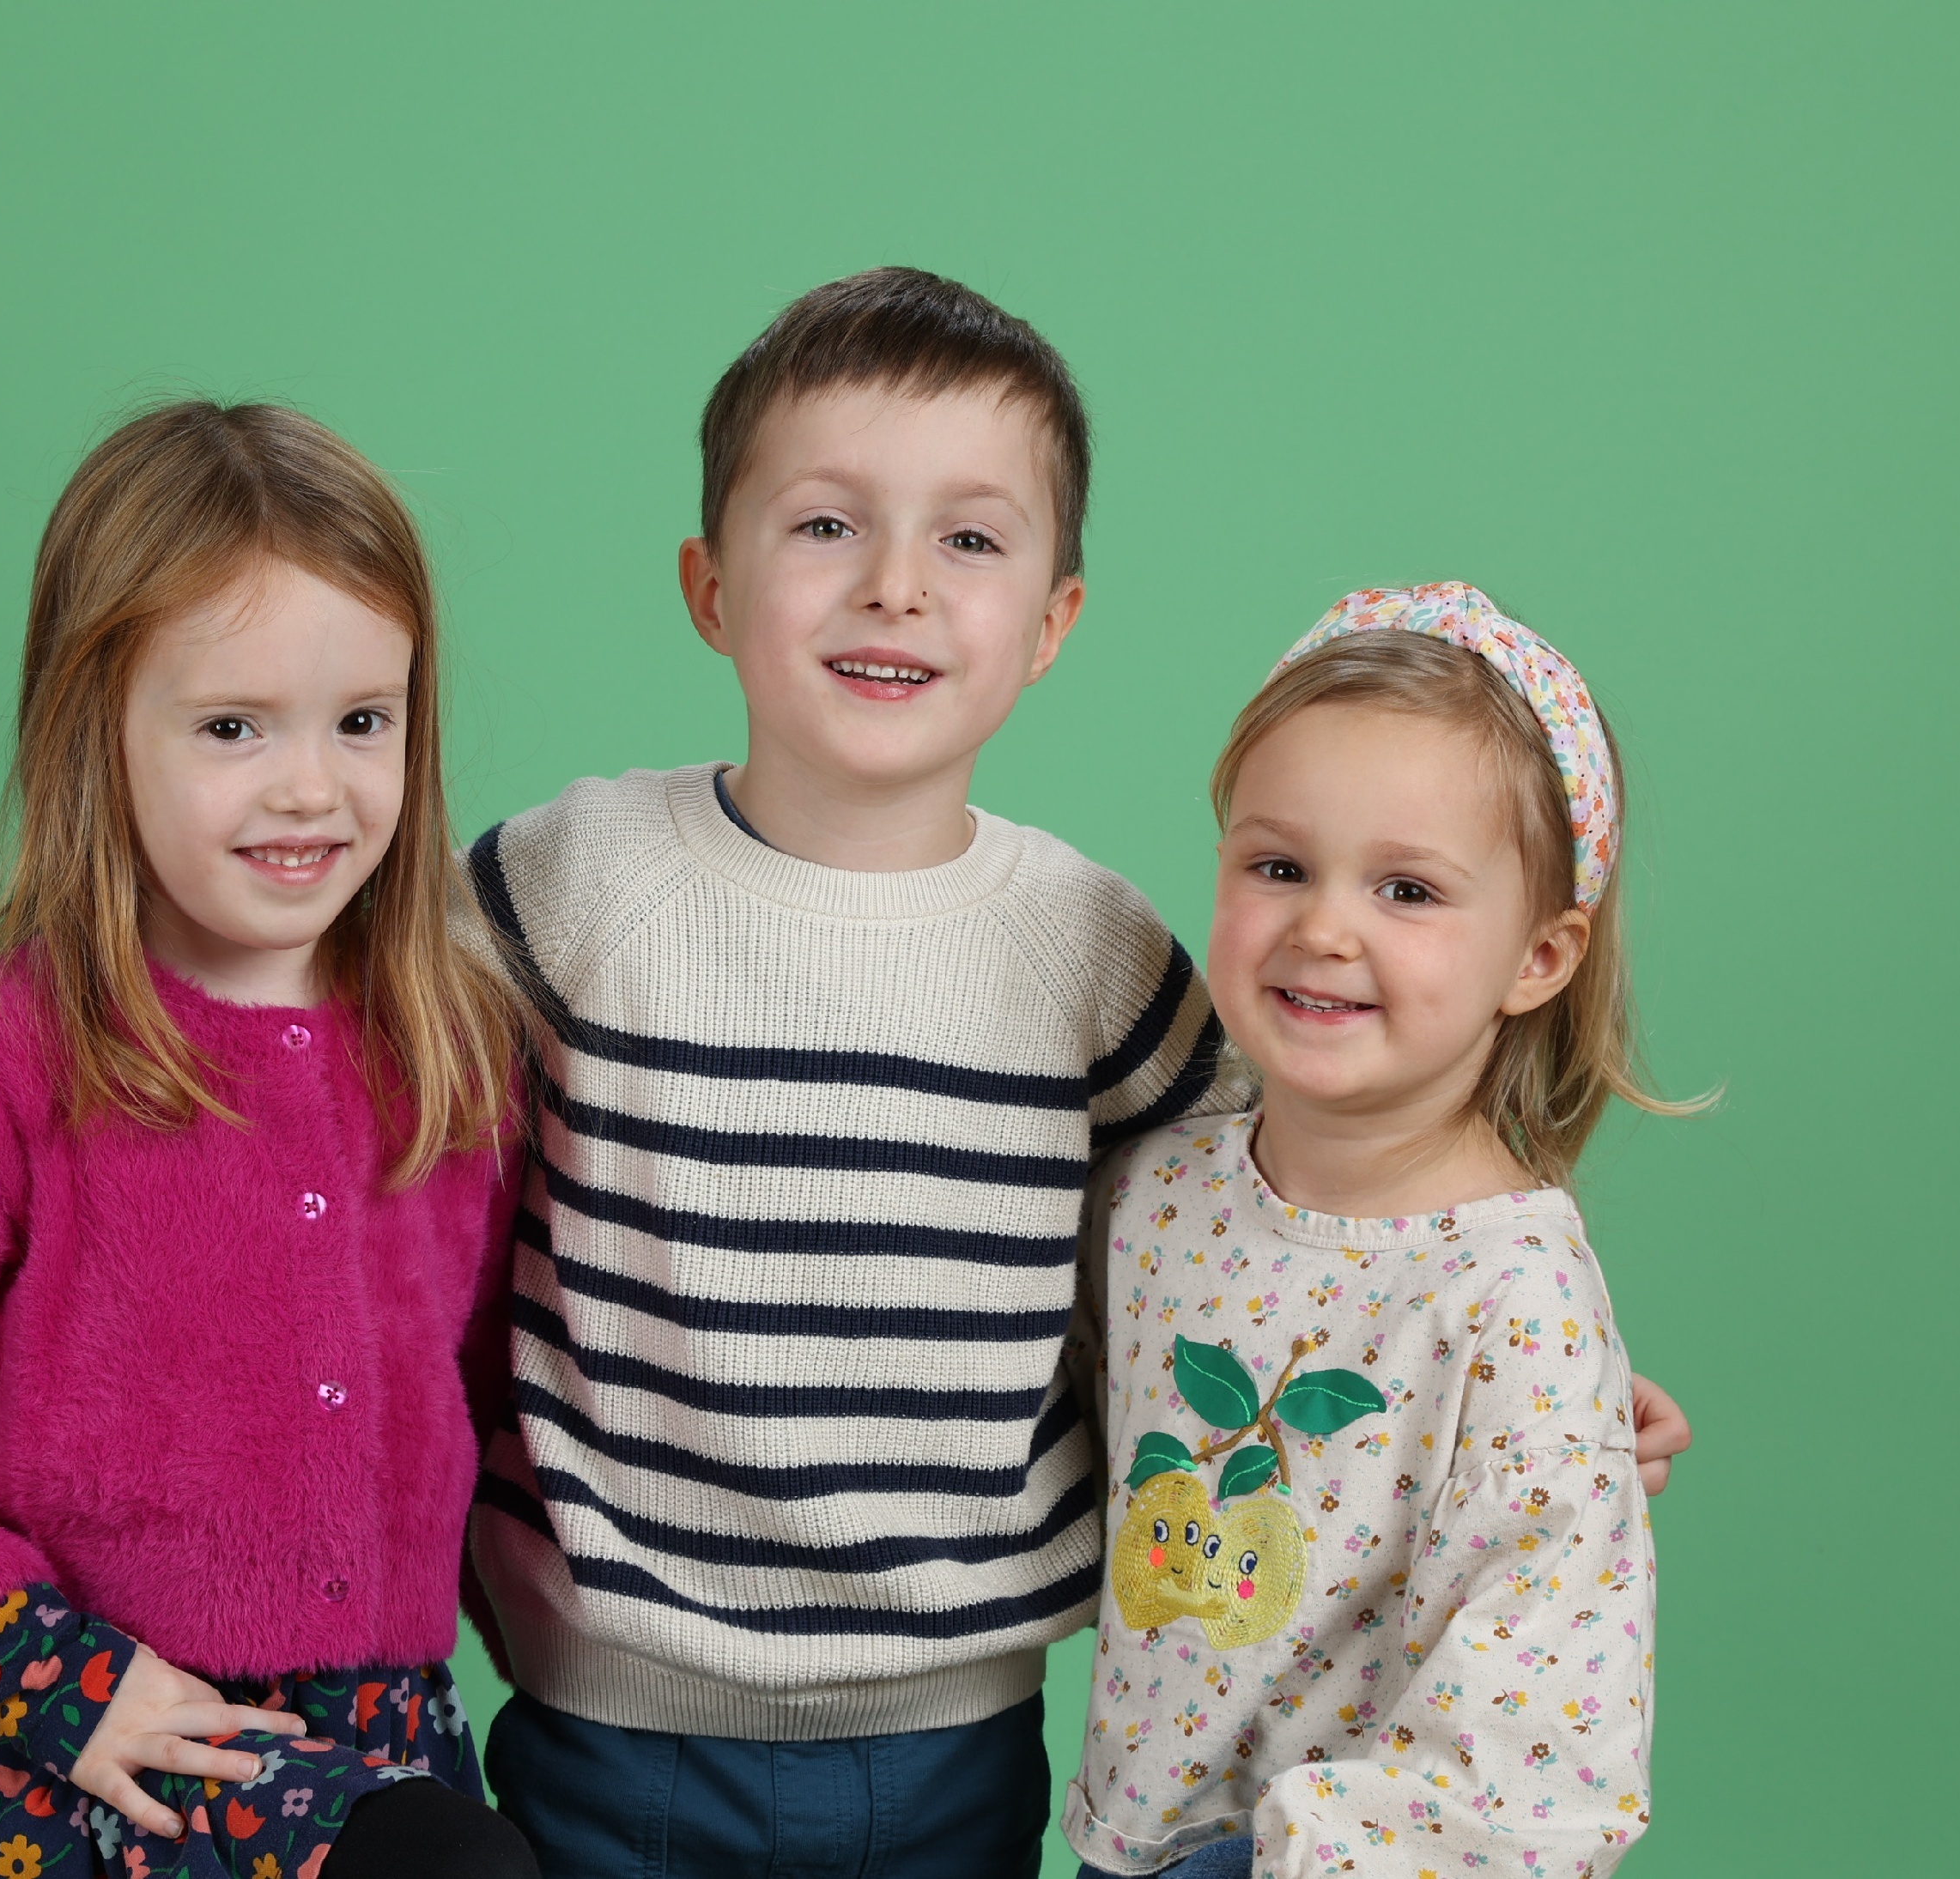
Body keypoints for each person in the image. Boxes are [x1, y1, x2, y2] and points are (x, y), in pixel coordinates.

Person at [461, 271, 1690, 1877]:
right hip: (608, 1711)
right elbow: (362, 1132)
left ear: (1052, 621)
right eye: (826, 524)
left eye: (970, 539)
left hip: (950, 1741)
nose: (895, 587)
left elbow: (1296, 1229)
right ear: (709, 583)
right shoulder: (573, 881)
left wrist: (1540, 1410)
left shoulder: (1089, 951)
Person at [0, 402, 540, 1879]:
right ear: (99, 730)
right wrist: (40, 1672)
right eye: (232, 726)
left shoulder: (454, 1053)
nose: (311, 785)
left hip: (379, 1744)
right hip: (87, 1758)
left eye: (363, 721)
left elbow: (484, 1403)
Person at [1065, 585, 1684, 1878]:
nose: (1324, 928)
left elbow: (1541, 1754)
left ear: (1540, 956)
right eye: (1278, 866)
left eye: (1408, 889)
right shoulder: (1152, 1195)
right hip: (1129, 1841)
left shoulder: (1515, 1302)